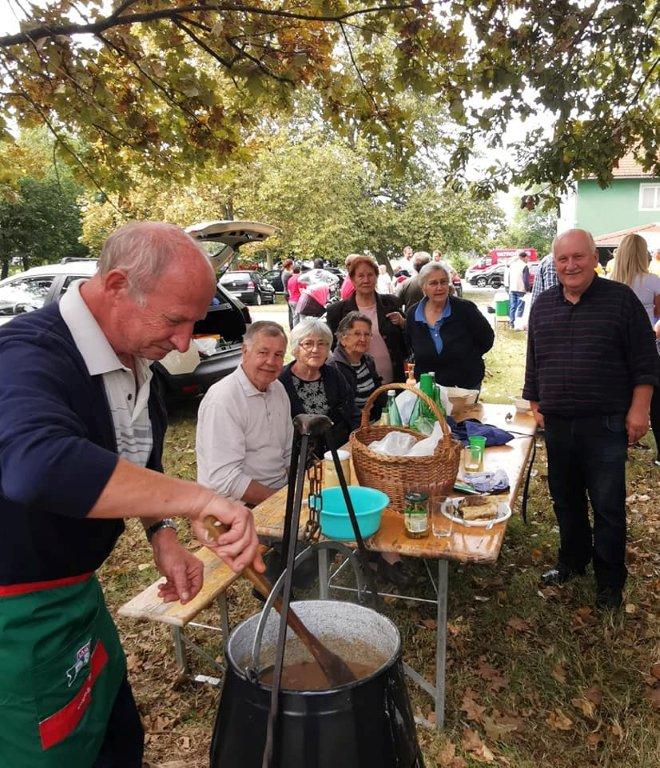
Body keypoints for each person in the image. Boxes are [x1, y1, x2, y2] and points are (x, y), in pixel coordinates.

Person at [0, 221, 262, 768]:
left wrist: (161, 532)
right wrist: (196, 499)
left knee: (117, 738)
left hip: (77, 595)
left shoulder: (132, 358)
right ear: (117, 285)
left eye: (193, 322)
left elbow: (136, 458)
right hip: (15, 613)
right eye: (174, 320)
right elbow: (37, 465)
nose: (184, 341)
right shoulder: (27, 353)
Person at [523, 229, 657, 609]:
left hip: (606, 422)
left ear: (594, 257)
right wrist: (534, 400)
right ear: (555, 263)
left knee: (607, 506)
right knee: (565, 500)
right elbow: (535, 357)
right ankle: (572, 561)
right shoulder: (544, 304)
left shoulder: (620, 300)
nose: (571, 265)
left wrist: (640, 407)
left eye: (578, 257)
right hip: (559, 422)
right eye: (563, 259)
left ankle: (609, 584)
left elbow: (646, 360)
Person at [196, 321, 292, 506]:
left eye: (278, 355)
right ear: (244, 351)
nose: (271, 362)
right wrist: (281, 502)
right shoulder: (223, 399)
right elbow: (225, 479)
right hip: (236, 506)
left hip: (278, 492)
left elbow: (287, 451)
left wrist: (297, 491)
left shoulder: (277, 388)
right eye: (263, 353)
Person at [609, 233, 660, 464]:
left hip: (616, 348)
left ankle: (620, 447)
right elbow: (659, 315)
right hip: (648, 346)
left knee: (620, 398)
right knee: (654, 398)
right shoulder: (653, 281)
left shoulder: (610, 281)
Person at [406, 262, 494, 389]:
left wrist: (469, 357)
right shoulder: (413, 314)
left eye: (443, 282)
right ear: (423, 287)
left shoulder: (465, 309)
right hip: (428, 386)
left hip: (466, 384)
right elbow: (410, 344)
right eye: (433, 283)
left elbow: (487, 338)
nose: (440, 287)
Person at [279, 318, 360, 456]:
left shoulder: (333, 375)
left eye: (322, 344)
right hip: (297, 458)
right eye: (308, 344)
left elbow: (352, 412)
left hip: (337, 453)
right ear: (296, 349)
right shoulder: (280, 382)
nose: (315, 349)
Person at [326, 255, 407, 385]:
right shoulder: (337, 312)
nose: (366, 280)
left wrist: (403, 323)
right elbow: (334, 349)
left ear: (376, 277)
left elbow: (407, 339)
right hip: (357, 383)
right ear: (352, 279)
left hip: (394, 379)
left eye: (370, 275)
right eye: (361, 276)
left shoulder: (391, 303)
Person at [328, 311, 384, 418]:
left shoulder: (368, 361)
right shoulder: (333, 368)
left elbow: (378, 395)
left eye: (367, 334)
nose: (363, 339)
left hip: (372, 424)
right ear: (342, 338)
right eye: (357, 334)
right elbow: (342, 410)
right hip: (352, 429)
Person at [507, 250, 531, 327]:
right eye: (527, 258)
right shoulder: (524, 266)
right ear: (524, 258)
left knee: (512, 306)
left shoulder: (512, 265)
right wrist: (528, 289)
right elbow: (526, 280)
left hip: (512, 288)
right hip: (521, 289)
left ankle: (511, 323)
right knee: (520, 307)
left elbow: (509, 277)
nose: (528, 260)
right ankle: (518, 324)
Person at [280, 258, 294, 328]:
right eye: (292, 264)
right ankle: (292, 326)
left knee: (290, 311)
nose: (293, 266)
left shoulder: (284, 272)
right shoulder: (287, 274)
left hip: (286, 293)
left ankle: (291, 326)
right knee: (292, 311)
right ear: (290, 265)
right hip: (288, 293)